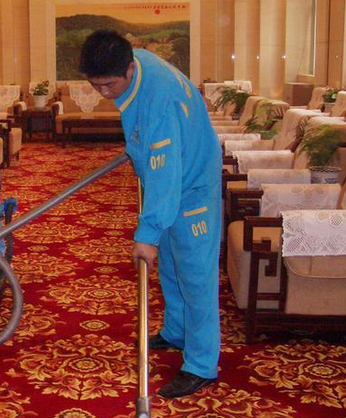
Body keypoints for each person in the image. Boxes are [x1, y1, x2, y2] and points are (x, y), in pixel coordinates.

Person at [79, 30, 222, 398]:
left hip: (192, 186)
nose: (104, 93)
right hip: (171, 177)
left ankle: (201, 363)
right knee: (171, 265)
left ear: (129, 68)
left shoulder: (161, 100)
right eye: (96, 85)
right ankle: (176, 331)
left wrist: (147, 234)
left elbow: (165, 173)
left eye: (109, 85)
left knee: (196, 276)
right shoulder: (135, 62)